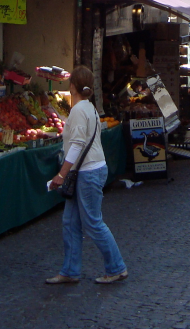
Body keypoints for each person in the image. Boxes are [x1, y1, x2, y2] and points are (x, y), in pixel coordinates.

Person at [46, 66, 127, 285]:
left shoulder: (79, 110)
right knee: (70, 222)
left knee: (92, 222)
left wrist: (61, 174)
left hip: (87, 172)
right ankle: (70, 270)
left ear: (72, 86)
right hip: (88, 170)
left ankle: (116, 267)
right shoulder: (89, 108)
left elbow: (77, 144)